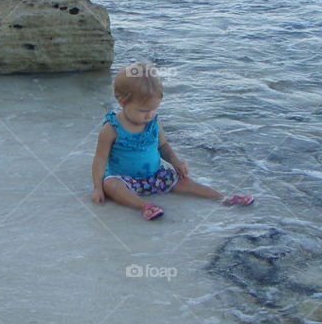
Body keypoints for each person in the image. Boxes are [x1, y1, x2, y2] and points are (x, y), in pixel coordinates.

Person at [90, 60, 254, 220]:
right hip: (124, 179)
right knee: (110, 186)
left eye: (154, 109)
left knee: (186, 182)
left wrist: (176, 162)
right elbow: (100, 160)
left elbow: (163, 145)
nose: (150, 115)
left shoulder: (154, 122)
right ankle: (144, 206)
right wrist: (97, 188)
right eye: (143, 110)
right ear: (122, 101)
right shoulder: (111, 129)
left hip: (154, 176)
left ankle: (223, 198)